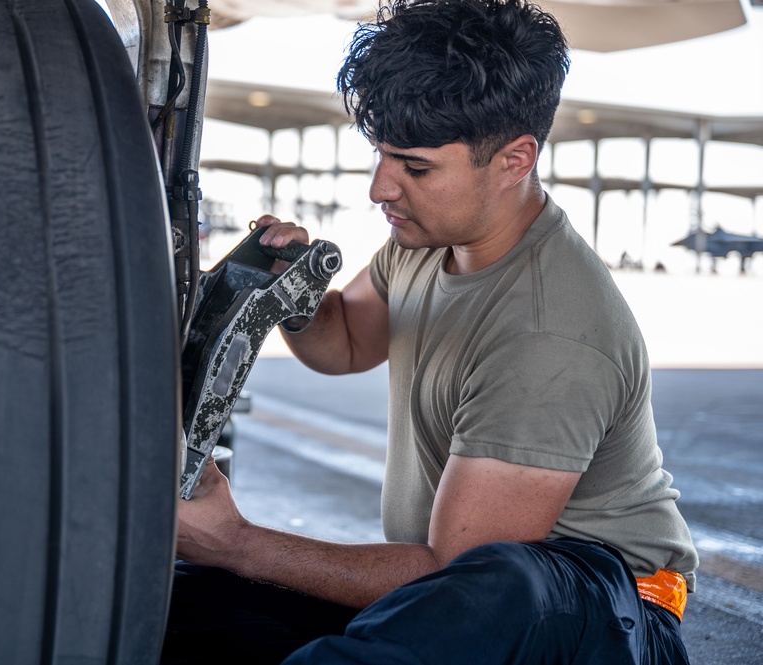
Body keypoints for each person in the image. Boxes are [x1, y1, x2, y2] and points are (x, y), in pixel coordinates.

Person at [162, 0, 698, 662]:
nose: (380, 187)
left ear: (514, 158)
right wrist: (293, 298)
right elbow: (347, 341)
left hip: (602, 617)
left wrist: (238, 540)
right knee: (184, 608)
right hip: (456, 597)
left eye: (414, 167)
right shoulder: (425, 239)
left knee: (496, 583)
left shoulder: (549, 331)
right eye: (381, 155)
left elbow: (457, 574)